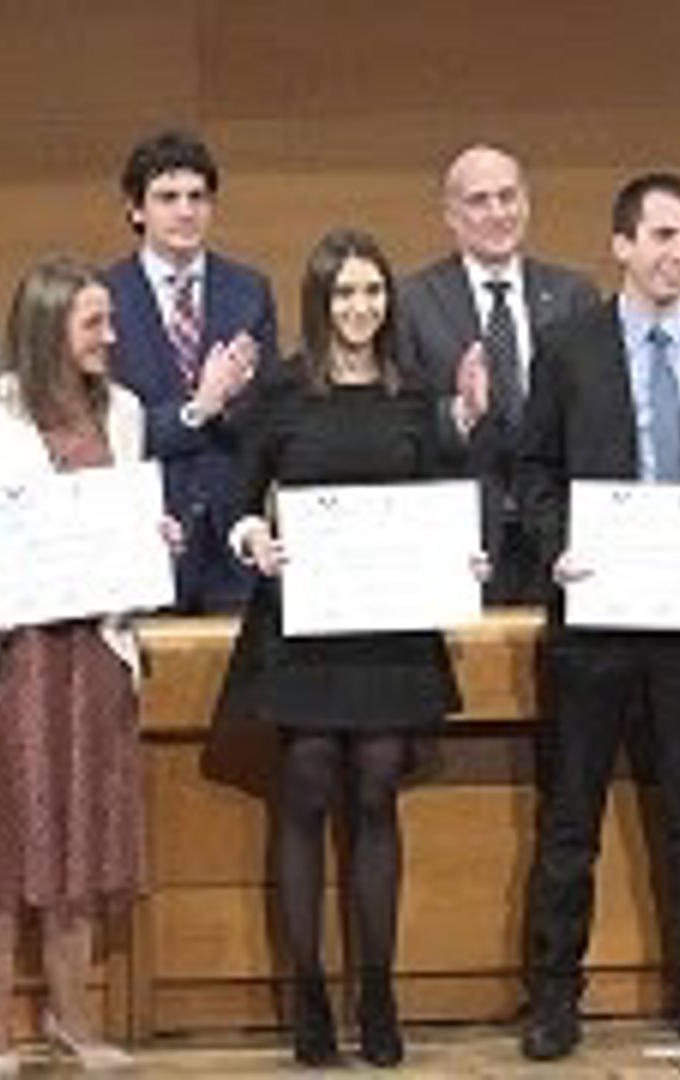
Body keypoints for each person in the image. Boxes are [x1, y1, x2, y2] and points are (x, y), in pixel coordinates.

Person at [515, 172, 680, 1061]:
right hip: (594, 620)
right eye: (663, 235)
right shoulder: (568, 347)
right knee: (571, 818)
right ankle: (555, 995)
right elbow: (533, 471)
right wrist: (556, 545)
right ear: (622, 244)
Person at [0, 257, 175, 1077]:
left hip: (89, 658)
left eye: (109, 320)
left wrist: (153, 537)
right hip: (2, 660)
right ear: (48, 327)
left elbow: (122, 518)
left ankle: (74, 1017)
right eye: (94, 322)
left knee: (80, 841)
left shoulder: (123, 411)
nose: (110, 336)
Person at [219, 229, 466, 1068]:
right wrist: (253, 538)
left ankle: (378, 994)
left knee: (377, 788)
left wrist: (460, 558)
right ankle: (309, 997)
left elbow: (439, 500)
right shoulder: (282, 390)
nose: (361, 308)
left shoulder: (415, 393)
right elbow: (239, 503)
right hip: (304, 626)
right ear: (319, 303)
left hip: (390, 628)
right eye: (346, 294)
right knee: (308, 781)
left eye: (373, 292)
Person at [398, 144, 600, 603]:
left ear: (526, 203)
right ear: (451, 215)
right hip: (462, 534)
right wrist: (460, 414)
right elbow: (400, 421)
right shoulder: (413, 301)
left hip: (556, 533)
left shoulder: (573, 295)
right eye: (479, 200)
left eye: (508, 197)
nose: (498, 213)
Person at [103, 129, 279, 613]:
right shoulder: (104, 297)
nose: (185, 211)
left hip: (233, 534)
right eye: (168, 198)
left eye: (197, 197)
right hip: (147, 534)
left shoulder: (248, 291)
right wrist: (198, 409)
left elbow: (268, 414)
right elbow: (105, 428)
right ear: (136, 210)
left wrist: (235, 401)